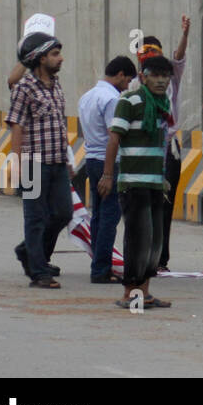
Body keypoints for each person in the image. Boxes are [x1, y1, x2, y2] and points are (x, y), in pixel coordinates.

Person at [99, 54, 178, 309]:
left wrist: (163, 178)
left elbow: (162, 143)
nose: (161, 81)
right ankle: (129, 293)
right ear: (143, 77)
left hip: (155, 183)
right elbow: (114, 139)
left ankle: (145, 292)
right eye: (155, 75)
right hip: (133, 183)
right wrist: (108, 175)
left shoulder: (163, 103)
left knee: (154, 241)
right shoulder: (129, 101)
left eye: (165, 76)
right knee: (137, 238)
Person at [7, 33, 71, 288]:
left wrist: (68, 159)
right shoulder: (24, 88)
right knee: (35, 218)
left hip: (57, 163)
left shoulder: (56, 85)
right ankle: (39, 272)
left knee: (63, 213)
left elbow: (60, 126)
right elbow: (17, 126)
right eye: (54, 54)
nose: (60, 58)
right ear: (40, 57)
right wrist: (17, 163)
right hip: (33, 164)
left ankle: (28, 252)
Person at [77, 56, 137, 284]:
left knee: (98, 216)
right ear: (120, 74)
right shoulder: (112, 99)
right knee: (110, 216)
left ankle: (97, 263)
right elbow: (115, 136)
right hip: (108, 162)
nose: (128, 85)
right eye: (128, 79)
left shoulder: (87, 96)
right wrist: (110, 174)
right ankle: (101, 269)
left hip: (91, 159)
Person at [138, 17, 189, 273]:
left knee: (164, 205)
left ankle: (160, 258)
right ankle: (143, 257)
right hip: (146, 149)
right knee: (143, 206)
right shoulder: (137, 86)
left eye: (154, 53)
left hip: (168, 148)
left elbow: (178, 57)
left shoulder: (170, 78)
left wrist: (185, 34)